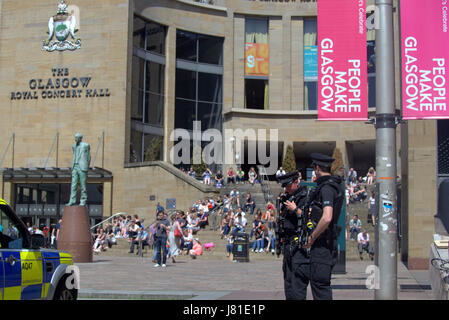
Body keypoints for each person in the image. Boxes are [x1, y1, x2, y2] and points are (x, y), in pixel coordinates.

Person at [280, 153, 344, 300]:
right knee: (318, 288)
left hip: (322, 246)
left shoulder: (327, 188)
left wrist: (312, 237)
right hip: (322, 246)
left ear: (317, 168)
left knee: (320, 290)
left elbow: (327, 217)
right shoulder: (331, 186)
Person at [67, 132, 91, 206]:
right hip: (75, 166)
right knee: (73, 185)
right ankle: (72, 200)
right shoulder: (74, 146)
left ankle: (83, 201)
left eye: (77, 137)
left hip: (82, 167)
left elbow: (89, 157)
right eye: (75, 137)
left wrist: (86, 166)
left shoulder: (86, 145)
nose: (75, 139)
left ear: (80, 138)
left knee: (83, 185)